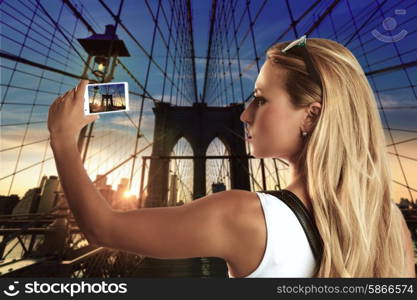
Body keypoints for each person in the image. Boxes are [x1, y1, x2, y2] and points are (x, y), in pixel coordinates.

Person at [48, 36, 415, 278]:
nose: (244, 115)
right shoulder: (389, 223)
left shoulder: (242, 214)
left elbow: (103, 228)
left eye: (260, 98)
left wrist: (64, 138)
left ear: (312, 115)